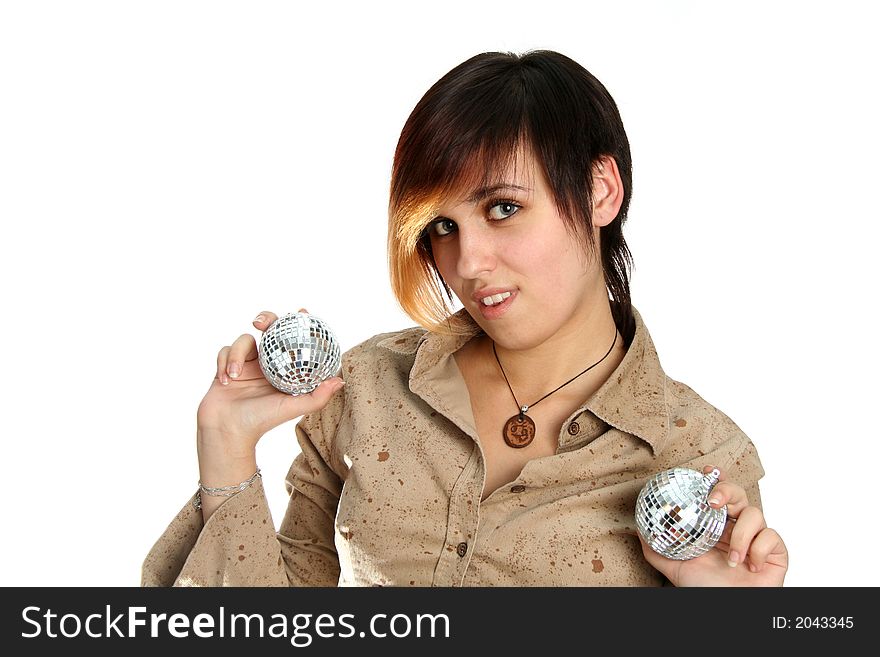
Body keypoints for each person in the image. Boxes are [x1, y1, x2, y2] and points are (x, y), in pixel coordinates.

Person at [142, 50, 787, 587]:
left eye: (503, 208)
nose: (468, 262)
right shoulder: (366, 387)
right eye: (443, 226)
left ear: (599, 191)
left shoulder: (700, 460)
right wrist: (227, 451)